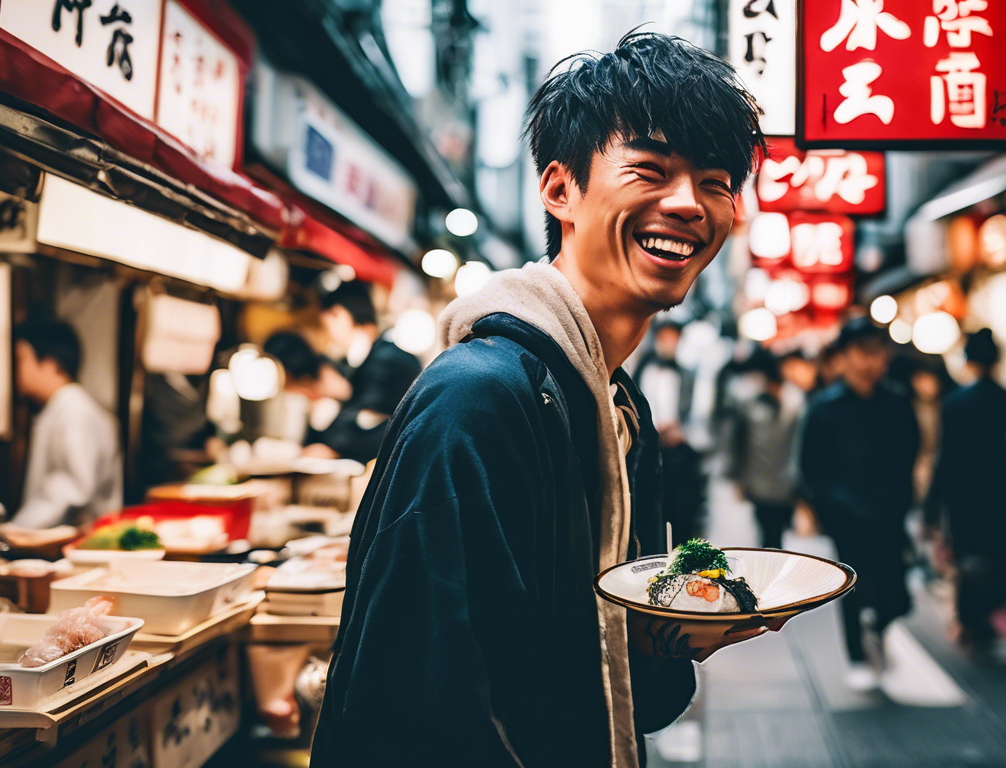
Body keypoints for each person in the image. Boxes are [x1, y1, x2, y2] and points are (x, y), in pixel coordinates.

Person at [312, 31, 770, 768]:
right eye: (650, 170)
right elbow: (409, 715)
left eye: (716, 182)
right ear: (560, 191)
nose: (689, 204)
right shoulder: (477, 401)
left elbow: (626, 694)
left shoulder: (617, 410)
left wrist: (667, 636)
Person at [798, 317, 919, 691]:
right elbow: (810, 465)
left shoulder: (898, 403)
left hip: (890, 511)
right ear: (845, 357)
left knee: (895, 590)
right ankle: (855, 654)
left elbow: (912, 452)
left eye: (877, 351)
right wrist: (819, 508)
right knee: (850, 585)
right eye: (861, 352)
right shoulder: (824, 407)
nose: (870, 361)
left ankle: (879, 626)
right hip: (845, 516)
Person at [924, 329, 1006, 651]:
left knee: (967, 561)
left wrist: (933, 507)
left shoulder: (955, 403)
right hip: (1001, 492)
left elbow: (944, 458)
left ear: (968, 361)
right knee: (1003, 557)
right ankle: (980, 619)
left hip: (962, 495)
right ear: (997, 360)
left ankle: (970, 621)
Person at [10, 318, 122, 530]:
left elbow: (73, 488)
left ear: (51, 364)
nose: (15, 369)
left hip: (74, 544)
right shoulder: (66, 407)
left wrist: (17, 529)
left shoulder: (75, 411)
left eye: (21, 359)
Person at [303, 282, 421, 464]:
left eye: (326, 326)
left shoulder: (386, 359)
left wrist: (332, 447)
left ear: (338, 314)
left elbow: (368, 416)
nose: (328, 336)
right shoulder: (368, 358)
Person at [633, 320, 703, 545]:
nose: (670, 343)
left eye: (674, 339)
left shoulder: (688, 374)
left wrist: (684, 431)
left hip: (680, 452)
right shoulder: (642, 369)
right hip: (649, 447)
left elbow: (700, 412)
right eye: (666, 338)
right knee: (651, 509)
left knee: (682, 511)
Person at [731, 349, 800, 550]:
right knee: (769, 536)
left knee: (775, 535)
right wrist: (739, 478)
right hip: (760, 483)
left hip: (785, 483)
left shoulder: (794, 402)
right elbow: (739, 442)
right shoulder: (751, 402)